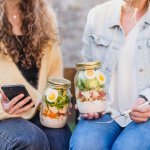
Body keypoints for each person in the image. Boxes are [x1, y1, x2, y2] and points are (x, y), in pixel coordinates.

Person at [70, 0, 150, 149]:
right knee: (85, 146)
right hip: (105, 113)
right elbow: (86, 69)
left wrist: (148, 101)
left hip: (147, 117)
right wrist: (87, 101)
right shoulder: (97, 16)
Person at [0, 0, 71, 150]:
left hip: (39, 109)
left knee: (60, 139)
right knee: (30, 140)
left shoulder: (46, 16)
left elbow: (54, 75)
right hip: (3, 117)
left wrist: (60, 99)